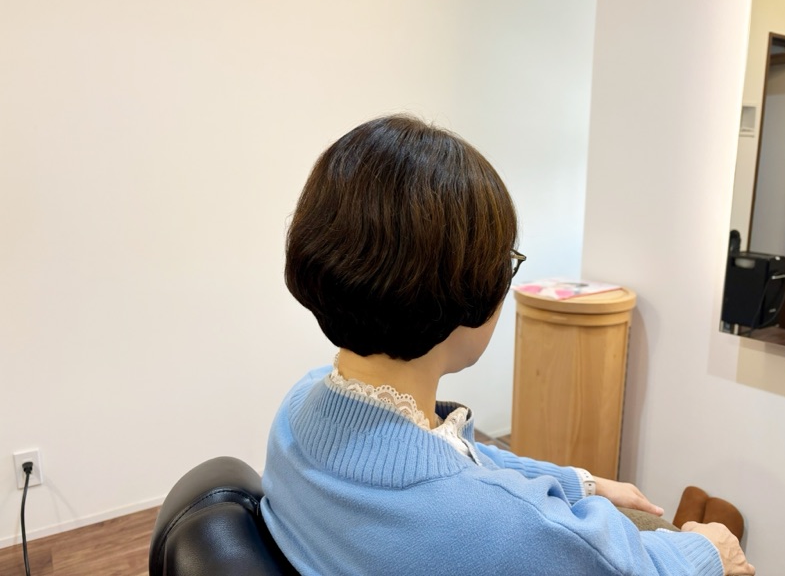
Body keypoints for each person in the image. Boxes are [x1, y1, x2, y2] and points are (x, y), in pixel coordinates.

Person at [261, 114, 754, 576]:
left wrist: (578, 482)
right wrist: (710, 549)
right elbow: (616, 562)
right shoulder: (498, 528)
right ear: (467, 291)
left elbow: (456, 453)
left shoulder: (299, 409)